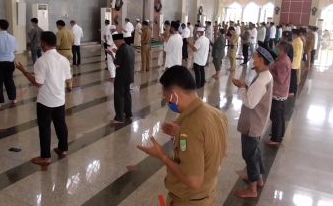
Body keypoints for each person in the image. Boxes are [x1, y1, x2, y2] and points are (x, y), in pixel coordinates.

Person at [137, 65, 228, 205]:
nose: (168, 102)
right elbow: (218, 151)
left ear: (174, 94)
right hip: (208, 194)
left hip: (189, 201)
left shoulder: (190, 126)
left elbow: (194, 181)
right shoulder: (217, 114)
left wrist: (162, 156)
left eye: (167, 98)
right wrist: (179, 133)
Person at [16, 31, 71, 166]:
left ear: (43, 43)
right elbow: (68, 79)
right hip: (60, 99)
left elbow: (38, 83)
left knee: (45, 128)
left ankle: (45, 157)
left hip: (45, 102)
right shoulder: (63, 59)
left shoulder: (41, 61)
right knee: (61, 125)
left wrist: (24, 71)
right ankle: (63, 149)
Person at [232, 46, 274, 198]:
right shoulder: (264, 75)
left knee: (249, 155)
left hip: (253, 123)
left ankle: (252, 189)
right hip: (257, 121)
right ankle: (258, 179)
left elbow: (250, 102)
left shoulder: (263, 79)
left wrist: (242, 87)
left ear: (261, 60)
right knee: (254, 152)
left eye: (255, 56)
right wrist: (245, 87)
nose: (252, 58)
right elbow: (255, 95)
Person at [106, 33, 135, 124]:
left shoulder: (121, 50)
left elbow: (117, 64)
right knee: (127, 95)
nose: (115, 44)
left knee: (118, 96)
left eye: (115, 42)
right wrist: (116, 52)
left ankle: (119, 118)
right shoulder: (130, 48)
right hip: (129, 76)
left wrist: (111, 54)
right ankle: (129, 114)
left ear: (118, 41)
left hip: (121, 77)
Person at [266, 42, 292, 146]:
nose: (275, 48)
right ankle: (279, 134)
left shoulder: (283, 62)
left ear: (282, 49)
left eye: (277, 47)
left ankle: (275, 138)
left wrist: (269, 71)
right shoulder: (284, 58)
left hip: (278, 92)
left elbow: (280, 79)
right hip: (282, 92)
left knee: (275, 115)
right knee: (280, 115)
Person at [56, 20, 74, 89]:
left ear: (59, 25)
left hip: (62, 53)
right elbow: (73, 42)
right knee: (68, 69)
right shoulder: (70, 32)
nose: (57, 27)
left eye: (57, 26)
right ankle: (69, 85)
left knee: (60, 70)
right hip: (69, 52)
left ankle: (61, 85)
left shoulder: (59, 32)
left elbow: (58, 44)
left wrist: (55, 50)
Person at [289, 29, 303, 97]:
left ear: (295, 34)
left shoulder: (297, 42)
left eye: (293, 34)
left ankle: (292, 91)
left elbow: (295, 53)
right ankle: (293, 90)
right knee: (293, 76)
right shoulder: (298, 40)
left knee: (292, 77)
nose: (292, 35)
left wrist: (289, 53)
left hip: (294, 62)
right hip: (295, 62)